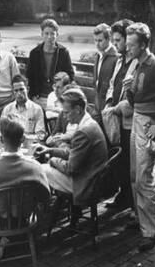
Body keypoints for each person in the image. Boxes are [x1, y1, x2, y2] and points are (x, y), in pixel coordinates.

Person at [35, 88, 108, 218]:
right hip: (90, 176)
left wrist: (52, 160)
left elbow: (70, 168)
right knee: (44, 169)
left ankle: (39, 213)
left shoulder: (83, 131)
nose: (65, 116)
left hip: (86, 184)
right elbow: (74, 154)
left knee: (39, 170)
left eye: (67, 112)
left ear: (78, 109)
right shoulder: (89, 123)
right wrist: (50, 151)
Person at [123, 22, 155, 252]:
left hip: (148, 123)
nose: (128, 49)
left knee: (144, 178)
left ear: (144, 44)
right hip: (137, 118)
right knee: (135, 174)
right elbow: (132, 100)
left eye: (132, 45)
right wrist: (129, 89)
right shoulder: (135, 64)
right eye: (127, 45)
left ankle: (151, 232)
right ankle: (141, 219)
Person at [0, 115, 50, 218]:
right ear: (23, 139)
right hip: (24, 218)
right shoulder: (35, 168)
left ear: (1, 139)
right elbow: (46, 197)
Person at [102, 19, 136, 211]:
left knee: (128, 162)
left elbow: (134, 97)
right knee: (120, 160)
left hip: (129, 121)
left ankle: (130, 202)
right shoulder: (120, 60)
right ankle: (123, 196)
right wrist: (108, 102)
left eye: (118, 40)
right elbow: (112, 84)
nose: (115, 44)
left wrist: (117, 108)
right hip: (115, 117)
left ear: (127, 39)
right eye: (114, 40)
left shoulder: (136, 62)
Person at [27, 18, 74, 109]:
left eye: (52, 33)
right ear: (42, 34)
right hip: (39, 97)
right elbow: (30, 76)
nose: (49, 37)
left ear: (57, 35)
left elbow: (70, 75)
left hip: (57, 99)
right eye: (46, 33)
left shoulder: (63, 52)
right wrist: (33, 95)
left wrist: (62, 95)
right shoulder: (34, 53)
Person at [0, 75, 46, 139]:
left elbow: (41, 135)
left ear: (27, 89)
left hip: (29, 144)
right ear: (13, 92)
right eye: (16, 91)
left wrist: (24, 137)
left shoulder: (37, 109)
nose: (19, 93)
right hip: (11, 145)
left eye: (21, 89)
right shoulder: (7, 109)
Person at [93, 23, 119, 113]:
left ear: (109, 39)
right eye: (95, 40)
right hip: (97, 104)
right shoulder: (98, 55)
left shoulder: (116, 57)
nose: (97, 44)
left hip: (109, 106)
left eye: (100, 40)